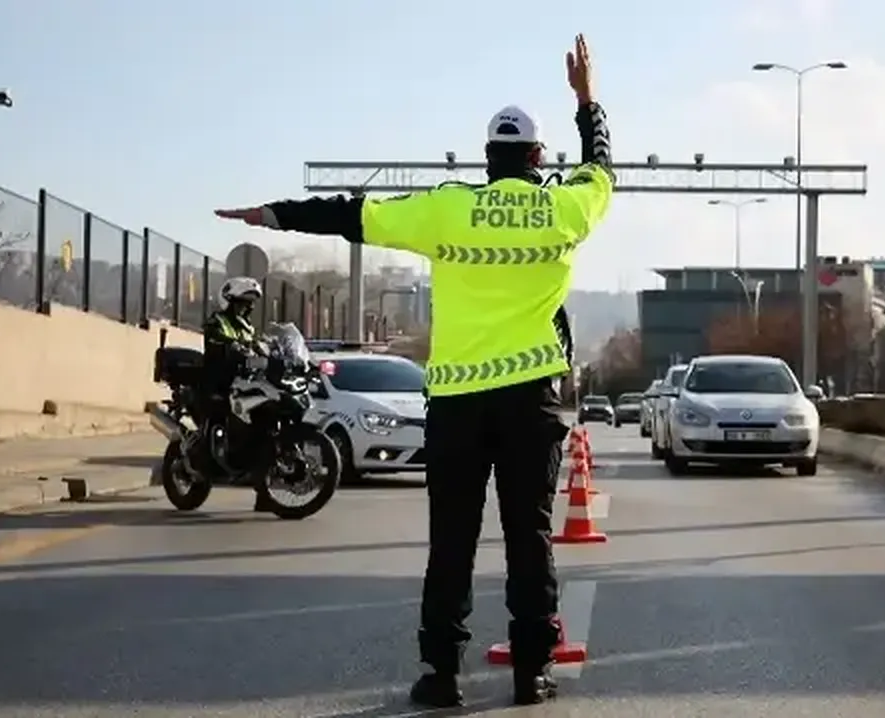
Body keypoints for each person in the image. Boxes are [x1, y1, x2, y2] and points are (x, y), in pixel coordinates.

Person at [214, 34, 613, 707]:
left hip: (457, 402)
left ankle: (441, 676)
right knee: (530, 537)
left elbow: (350, 215)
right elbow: (603, 168)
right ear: (539, 159)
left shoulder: (446, 206)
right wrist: (587, 100)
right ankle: (530, 673)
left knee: (450, 542)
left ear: (488, 160)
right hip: (530, 402)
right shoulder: (564, 207)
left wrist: (271, 214)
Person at [199, 277, 262, 448]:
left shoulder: (247, 327)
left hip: (243, 379)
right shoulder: (217, 320)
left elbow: (254, 345)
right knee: (219, 415)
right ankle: (209, 449)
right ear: (229, 302)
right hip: (220, 379)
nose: (249, 307)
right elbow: (212, 333)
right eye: (243, 303)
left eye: (250, 303)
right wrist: (230, 343)